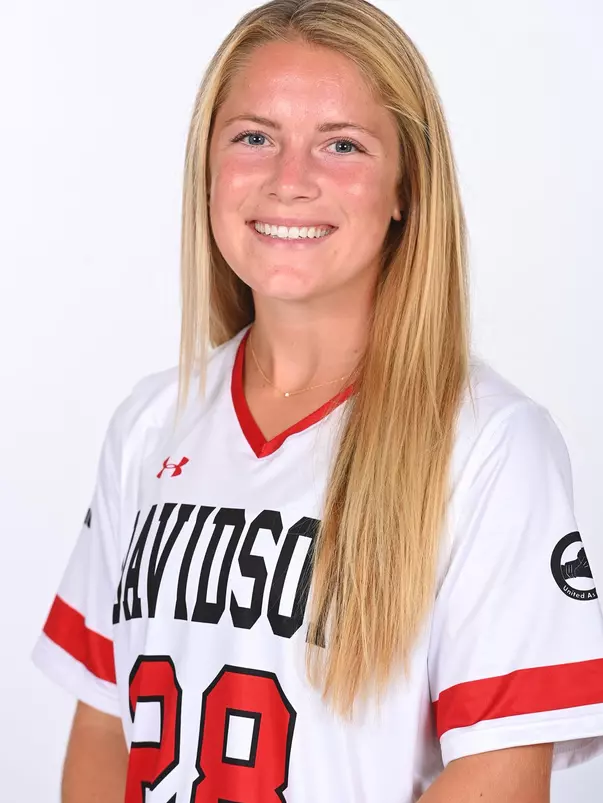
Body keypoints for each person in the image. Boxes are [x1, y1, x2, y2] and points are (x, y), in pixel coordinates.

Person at [31, 0, 603, 801]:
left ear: (405, 189)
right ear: (207, 167)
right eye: (253, 137)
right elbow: (102, 724)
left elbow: (499, 775)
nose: (289, 180)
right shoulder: (150, 423)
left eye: (341, 145)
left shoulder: (489, 445)